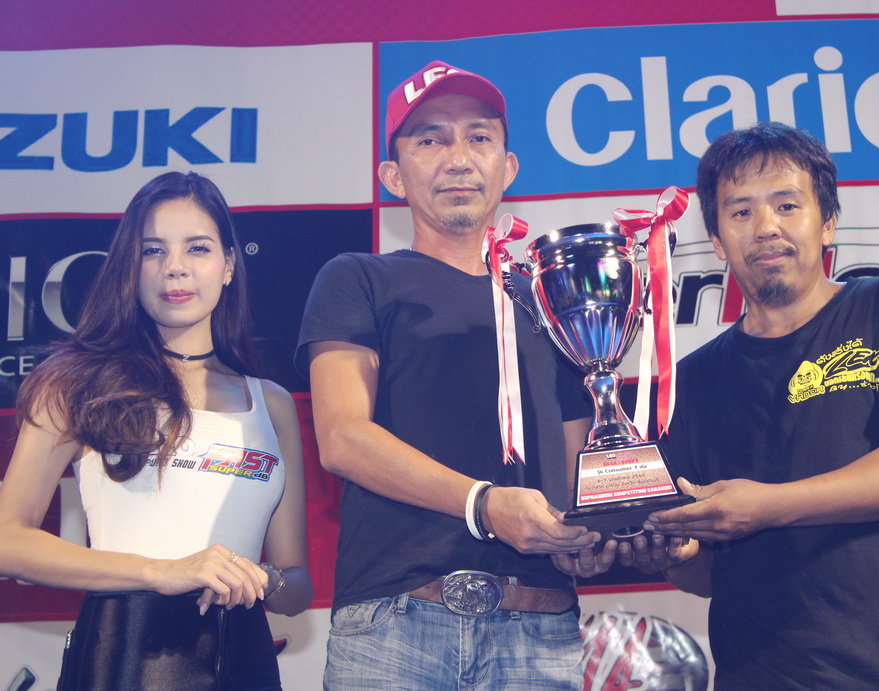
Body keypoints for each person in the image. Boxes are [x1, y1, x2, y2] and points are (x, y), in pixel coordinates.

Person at [625, 121, 879, 688]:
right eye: (741, 211)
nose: (766, 227)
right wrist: (673, 551)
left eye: (787, 205)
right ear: (717, 239)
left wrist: (768, 506)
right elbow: (710, 575)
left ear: (828, 221)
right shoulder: (689, 382)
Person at [297, 61, 596, 690]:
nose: (458, 159)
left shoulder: (552, 299)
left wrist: (592, 535)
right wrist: (483, 504)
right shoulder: (357, 278)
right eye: (430, 139)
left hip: (542, 632)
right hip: (397, 627)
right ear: (393, 175)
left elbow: (575, 472)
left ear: (507, 167)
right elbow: (342, 438)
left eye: (478, 137)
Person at [0, 171, 313, 690]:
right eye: (153, 251)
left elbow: (296, 585)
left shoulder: (271, 404)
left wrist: (262, 578)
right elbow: (7, 541)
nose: (175, 267)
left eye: (197, 248)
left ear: (228, 265)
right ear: (131, 267)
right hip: (125, 657)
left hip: (245, 662)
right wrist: (163, 572)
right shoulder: (76, 384)